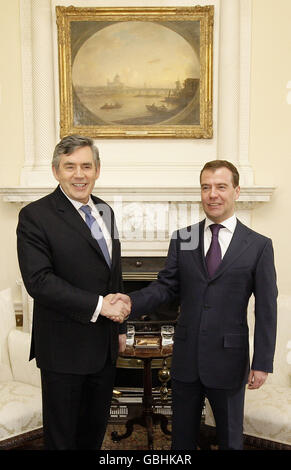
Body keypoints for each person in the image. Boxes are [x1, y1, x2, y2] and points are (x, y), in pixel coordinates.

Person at [111, 160, 277, 450]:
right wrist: (129, 301)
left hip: (229, 359)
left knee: (229, 439)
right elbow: (165, 286)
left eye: (221, 187)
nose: (212, 194)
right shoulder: (184, 238)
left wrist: (262, 362)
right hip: (186, 359)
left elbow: (266, 308)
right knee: (182, 441)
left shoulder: (258, 245)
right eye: (206, 187)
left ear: (236, 192)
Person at [17, 135, 129, 450]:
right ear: (56, 171)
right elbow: (39, 281)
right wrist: (100, 306)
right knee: (63, 440)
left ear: (97, 170)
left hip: (104, 348)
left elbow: (113, 273)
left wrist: (119, 328)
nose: (79, 174)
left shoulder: (105, 210)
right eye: (70, 167)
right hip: (63, 349)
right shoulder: (35, 216)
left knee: (93, 436)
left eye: (86, 166)